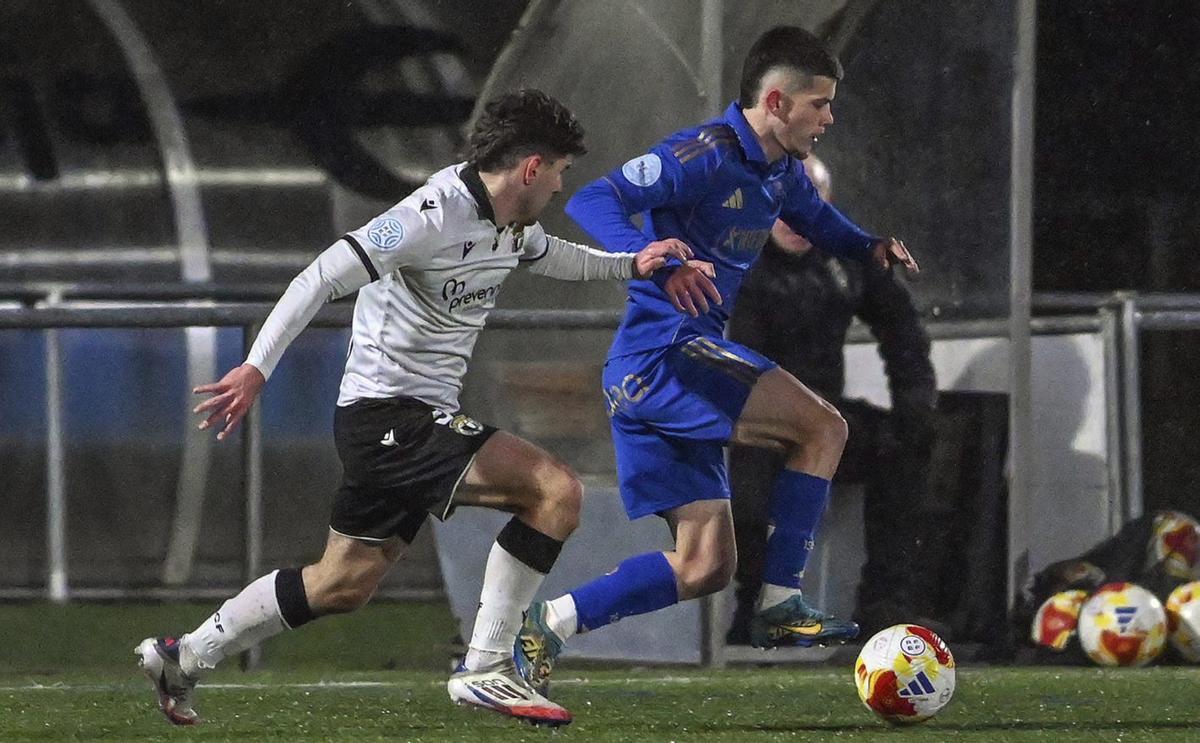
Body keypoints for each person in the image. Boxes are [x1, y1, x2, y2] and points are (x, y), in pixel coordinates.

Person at [134, 89, 707, 728]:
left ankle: (183, 655)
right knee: (553, 491)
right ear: (530, 168)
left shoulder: (512, 223)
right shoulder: (431, 214)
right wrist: (255, 367)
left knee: (339, 585)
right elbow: (319, 278)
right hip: (388, 416)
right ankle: (486, 666)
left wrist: (635, 263)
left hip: (405, 419)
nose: (559, 187)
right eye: (560, 172)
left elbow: (554, 257)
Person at [513, 26, 919, 695]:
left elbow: (818, 220)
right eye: (820, 104)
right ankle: (782, 602)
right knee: (825, 428)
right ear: (779, 101)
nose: (830, 117)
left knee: (704, 566)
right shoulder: (703, 153)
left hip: (657, 375)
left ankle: (548, 620)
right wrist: (645, 254)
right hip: (665, 356)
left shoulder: (779, 171)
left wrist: (870, 245)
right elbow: (593, 198)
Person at [724, 154, 941, 643]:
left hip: (824, 420)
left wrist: (915, 403)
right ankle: (756, 606)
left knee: (905, 445)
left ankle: (888, 602)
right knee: (750, 479)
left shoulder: (848, 259)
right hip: (754, 419)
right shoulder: (738, 261)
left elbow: (902, 332)